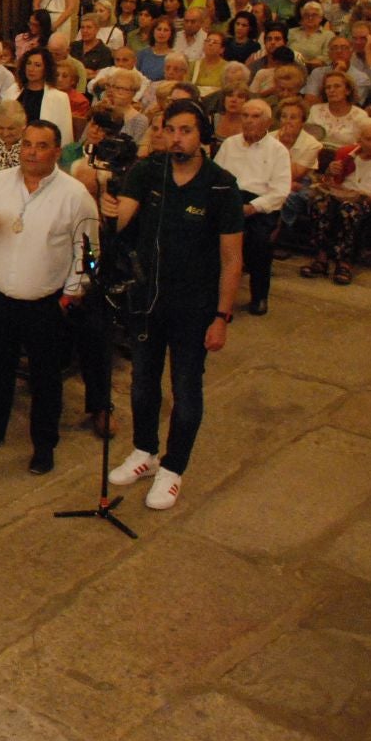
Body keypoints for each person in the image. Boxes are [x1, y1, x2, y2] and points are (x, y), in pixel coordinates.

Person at [100, 100, 243, 510]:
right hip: (147, 299)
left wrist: (221, 316)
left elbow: (232, 258)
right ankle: (144, 450)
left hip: (194, 307)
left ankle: (173, 468)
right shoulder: (148, 172)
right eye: (170, 129)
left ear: (202, 135)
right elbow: (123, 219)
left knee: (185, 389)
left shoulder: (220, 185)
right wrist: (109, 209)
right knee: (143, 382)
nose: (177, 137)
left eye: (186, 130)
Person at [0, 121, 96, 474]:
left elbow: (89, 253)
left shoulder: (74, 195)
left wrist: (72, 294)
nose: (32, 152)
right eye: (27, 145)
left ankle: (44, 445)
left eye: (41, 145)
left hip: (46, 303)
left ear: (57, 151)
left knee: (46, 378)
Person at [299, 119, 371, 286]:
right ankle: (321, 257)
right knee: (320, 204)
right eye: (368, 139)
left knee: (349, 209)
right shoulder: (346, 153)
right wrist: (330, 172)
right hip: (342, 196)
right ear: (359, 139)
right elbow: (328, 181)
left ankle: (344, 262)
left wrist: (360, 196)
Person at [213, 99, 291, 316]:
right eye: (245, 116)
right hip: (230, 199)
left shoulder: (278, 151)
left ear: (267, 121)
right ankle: (213, 294)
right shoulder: (229, 144)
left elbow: (280, 192)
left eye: (255, 116)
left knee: (259, 243)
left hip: (259, 205)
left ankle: (259, 296)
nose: (248, 121)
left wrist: (251, 208)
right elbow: (215, 177)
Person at [4, 47, 74, 145]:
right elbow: (0, 122)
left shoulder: (59, 98)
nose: (31, 69)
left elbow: (65, 136)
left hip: (41, 147)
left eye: (37, 65)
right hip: (11, 144)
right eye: (28, 63)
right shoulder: (13, 90)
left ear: (46, 69)